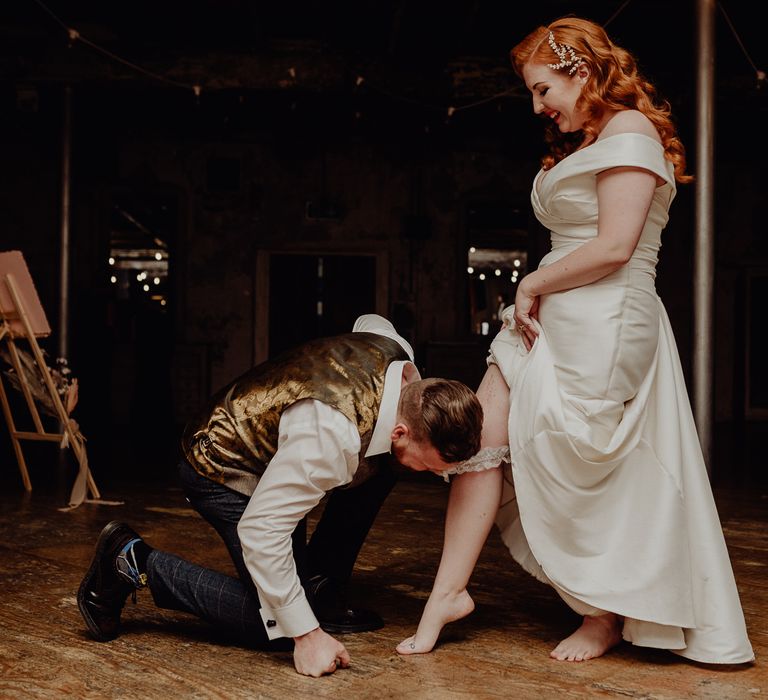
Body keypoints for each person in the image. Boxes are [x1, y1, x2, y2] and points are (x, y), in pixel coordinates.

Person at [397, 17, 754, 664]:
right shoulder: (592, 139)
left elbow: (616, 247)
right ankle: (444, 597)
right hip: (551, 315)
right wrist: (535, 296)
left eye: (542, 89)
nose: (538, 106)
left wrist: (532, 282)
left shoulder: (631, 132)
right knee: (481, 441)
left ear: (582, 72)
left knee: (588, 471)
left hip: (605, 321)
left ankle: (603, 612)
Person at [77, 314, 483, 677]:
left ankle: (320, 586)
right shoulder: (331, 437)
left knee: (389, 468)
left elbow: (370, 321)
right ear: (401, 430)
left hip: (286, 452)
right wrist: (306, 634)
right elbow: (262, 532)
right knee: (271, 623)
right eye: (432, 467)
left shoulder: (399, 357)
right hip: (222, 463)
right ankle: (130, 559)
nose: (434, 476)